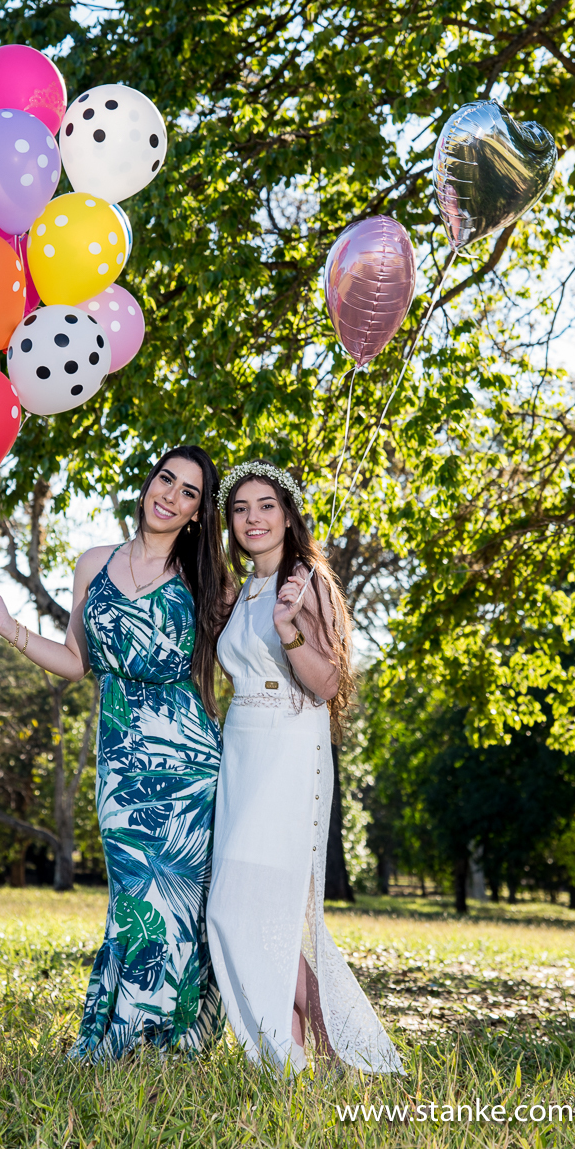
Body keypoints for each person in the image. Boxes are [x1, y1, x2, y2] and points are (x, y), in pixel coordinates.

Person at [0, 446, 232, 1061]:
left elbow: (246, 652)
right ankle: (128, 1033)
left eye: (189, 492)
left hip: (189, 763)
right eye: (166, 479)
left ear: (197, 512)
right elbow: (74, 662)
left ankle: (167, 1039)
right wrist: (6, 625)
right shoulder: (94, 563)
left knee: (177, 899)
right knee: (133, 894)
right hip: (120, 758)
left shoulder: (207, 579)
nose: (171, 496)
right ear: (149, 483)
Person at [206, 460, 402, 1076]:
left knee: (243, 907)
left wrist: (289, 628)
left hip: (288, 747)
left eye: (266, 506)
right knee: (255, 914)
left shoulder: (305, 582)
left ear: (288, 516)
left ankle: (336, 1047)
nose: (253, 518)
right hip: (241, 747)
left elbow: (328, 684)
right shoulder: (244, 589)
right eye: (240, 509)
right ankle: (292, 1061)